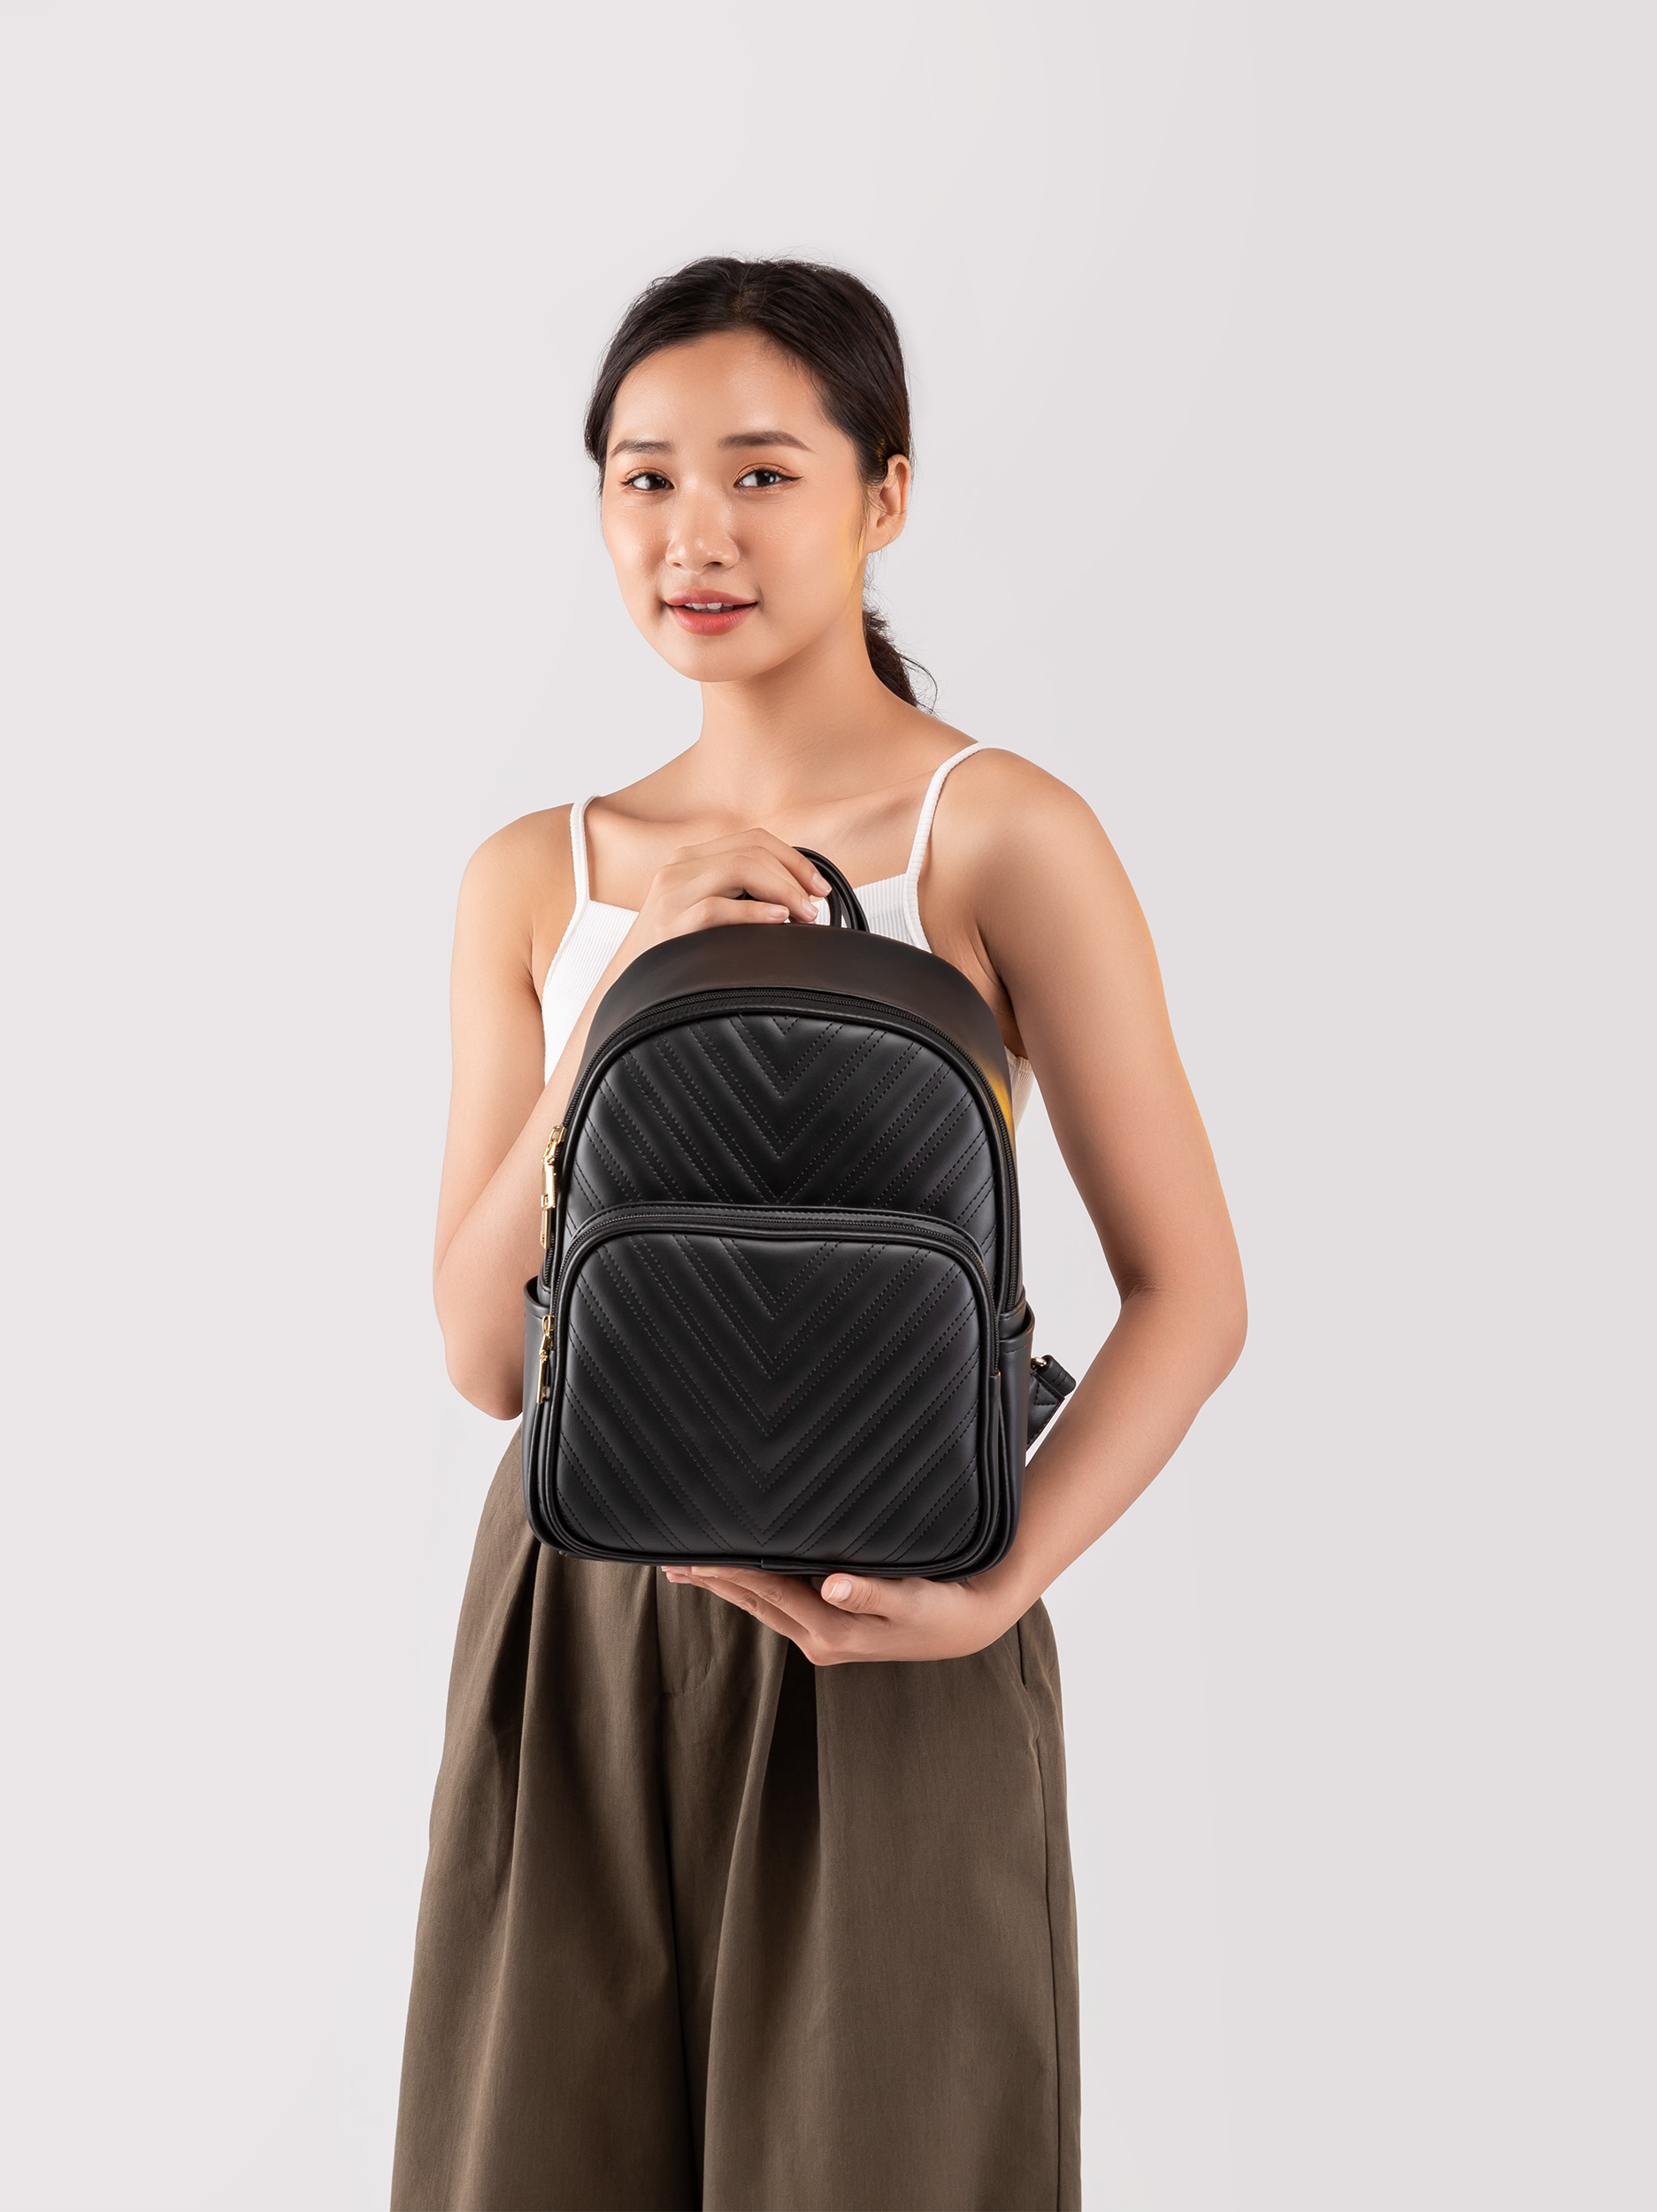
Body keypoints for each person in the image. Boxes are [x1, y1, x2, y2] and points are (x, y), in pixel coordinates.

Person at [389, 256, 1247, 2212]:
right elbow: (487, 1354)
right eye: (644, 477)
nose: (694, 532)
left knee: (892, 2158)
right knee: (529, 2161)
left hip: (897, 1592)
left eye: (762, 474)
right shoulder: (538, 875)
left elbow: (1191, 1292)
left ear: (886, 495)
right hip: (576, 1612)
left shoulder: (999, 832)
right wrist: (622, 1008)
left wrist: (996, 1587)